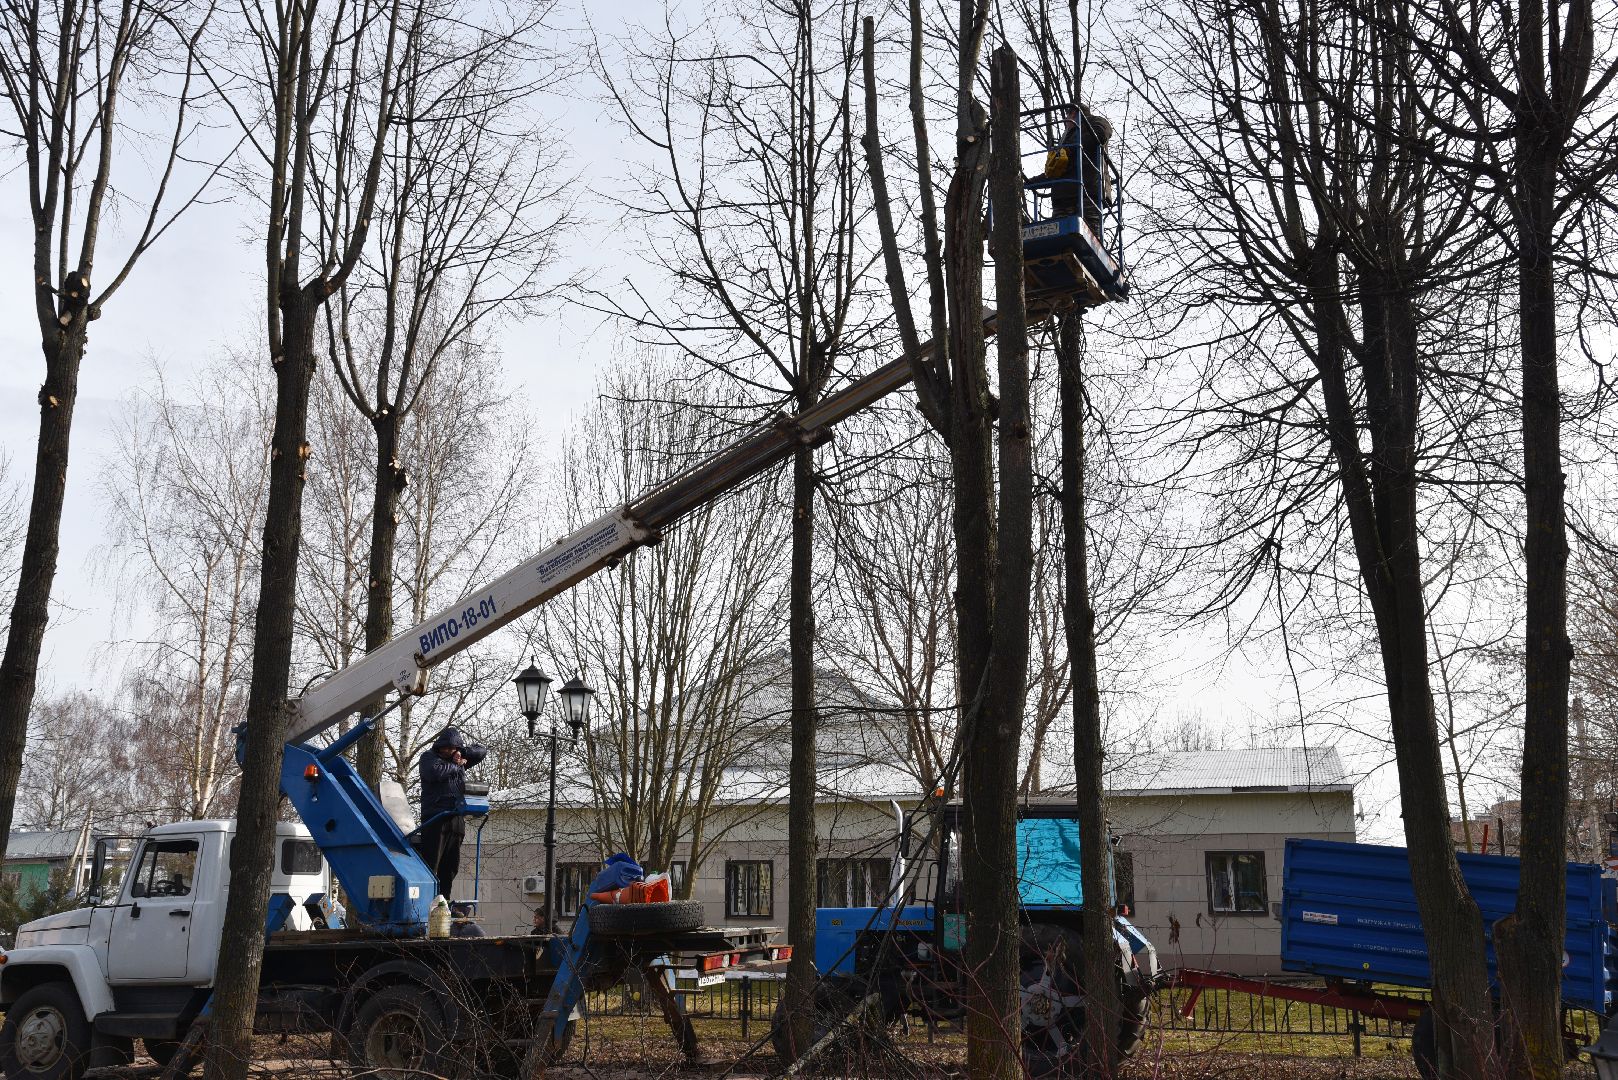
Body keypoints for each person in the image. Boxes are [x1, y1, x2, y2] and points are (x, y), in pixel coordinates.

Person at [416, 726, 486, 901]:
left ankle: (443, 901)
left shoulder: (458, 758)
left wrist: (462, 753)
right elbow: (435, 773)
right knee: (432, 863)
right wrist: (456, 764)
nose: (446, 751)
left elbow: (481, 751)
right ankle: (427, 901)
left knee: (451, 864)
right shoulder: (428, 758)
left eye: (451, 748)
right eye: (444, 748)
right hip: (436, 817)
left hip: (456, 817)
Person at [1044, 103, 1113, 238]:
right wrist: (1031, 182)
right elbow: (1056, 169)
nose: (1065, 122)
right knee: (1059, 239)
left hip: (1087, 192)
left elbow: (1101, 133)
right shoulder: (1066, 139)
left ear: (1074, 114)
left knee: (1089, 236)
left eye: (1067, 116)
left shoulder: (1095, 122)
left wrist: (1071, 146)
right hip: (1063, 197)